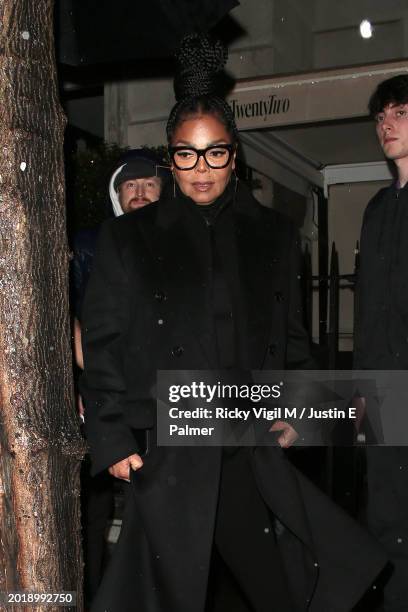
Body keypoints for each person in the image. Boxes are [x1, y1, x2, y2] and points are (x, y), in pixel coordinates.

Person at [81, 34, 386, 612]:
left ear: (234, 154)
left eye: (215, 152)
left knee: (283, 581)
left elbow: (292, 341)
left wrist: (304, 409)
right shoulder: (130, 238)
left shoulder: (273, 235)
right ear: (171, 157)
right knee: (166, 591)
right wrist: (113, 436)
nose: (201, 169)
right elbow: (103, 343)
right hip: (172, 442)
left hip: (249, 436)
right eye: (187, 154)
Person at [71, 148, 168, 605]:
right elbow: (66, 310)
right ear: (116, 192)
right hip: (100, 395)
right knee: (90, 508)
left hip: (158, 397)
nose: (140, 192)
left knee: (155, 505)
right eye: (130, 185)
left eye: (149, 183)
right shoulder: (90, 243)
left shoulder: (175, 240)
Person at [353, 74, 408, 612]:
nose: (386, 125)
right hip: (387, 391)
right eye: (380, 118)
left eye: (400, 112)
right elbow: (369, 310)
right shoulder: (376, 209)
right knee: (388, 522)